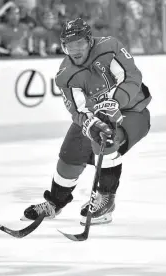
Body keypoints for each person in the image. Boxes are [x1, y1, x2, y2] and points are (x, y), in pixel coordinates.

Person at [21, 18, 152, 225]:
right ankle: (55, 202)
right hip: (98, 114)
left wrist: (114, 104)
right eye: (69, 45)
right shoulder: (65, 76)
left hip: (133, 112)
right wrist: (90, 123)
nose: (75, 50)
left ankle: (105, 200)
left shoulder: (110, 47)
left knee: (107, 137)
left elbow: (131, 77)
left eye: (79, 43)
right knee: (69, 153)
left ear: (89, 40)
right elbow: (78, 109)